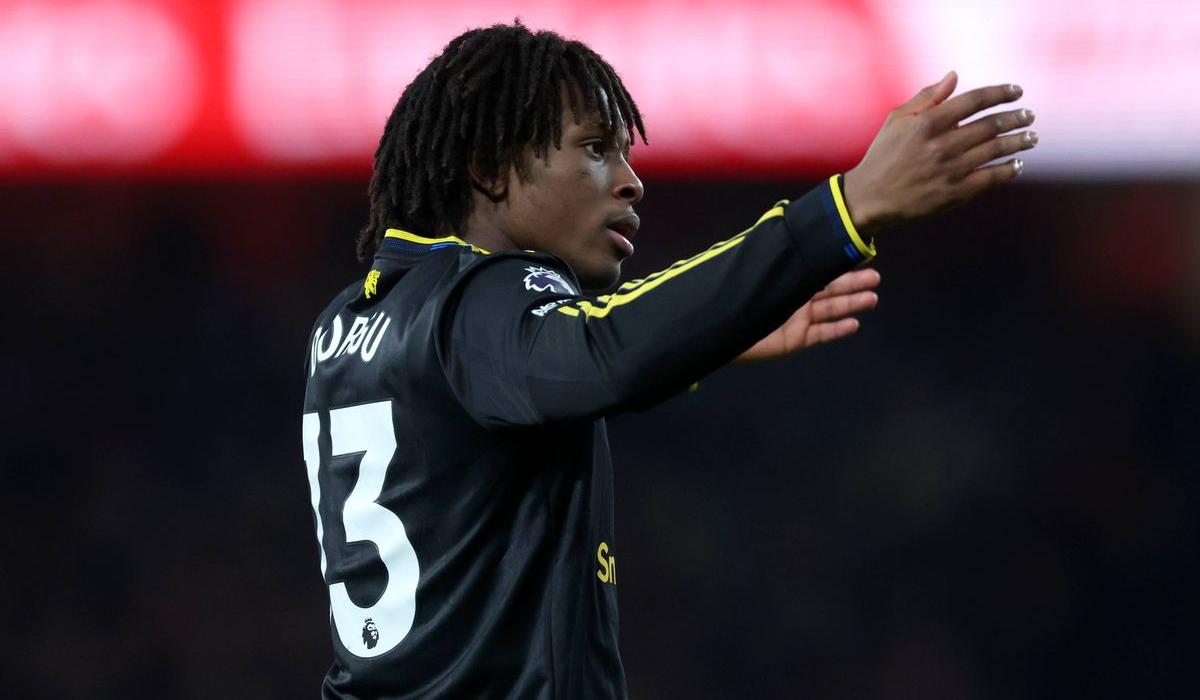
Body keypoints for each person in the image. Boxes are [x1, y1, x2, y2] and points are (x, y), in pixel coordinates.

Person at [300, 22, 1037, 699]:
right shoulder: (480, 299)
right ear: (491, 168)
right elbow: (601, 351)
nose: (630, 179)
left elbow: (563, 356)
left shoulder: (354, 320)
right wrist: (846, 208)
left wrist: (719, 325)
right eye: (595, 148)